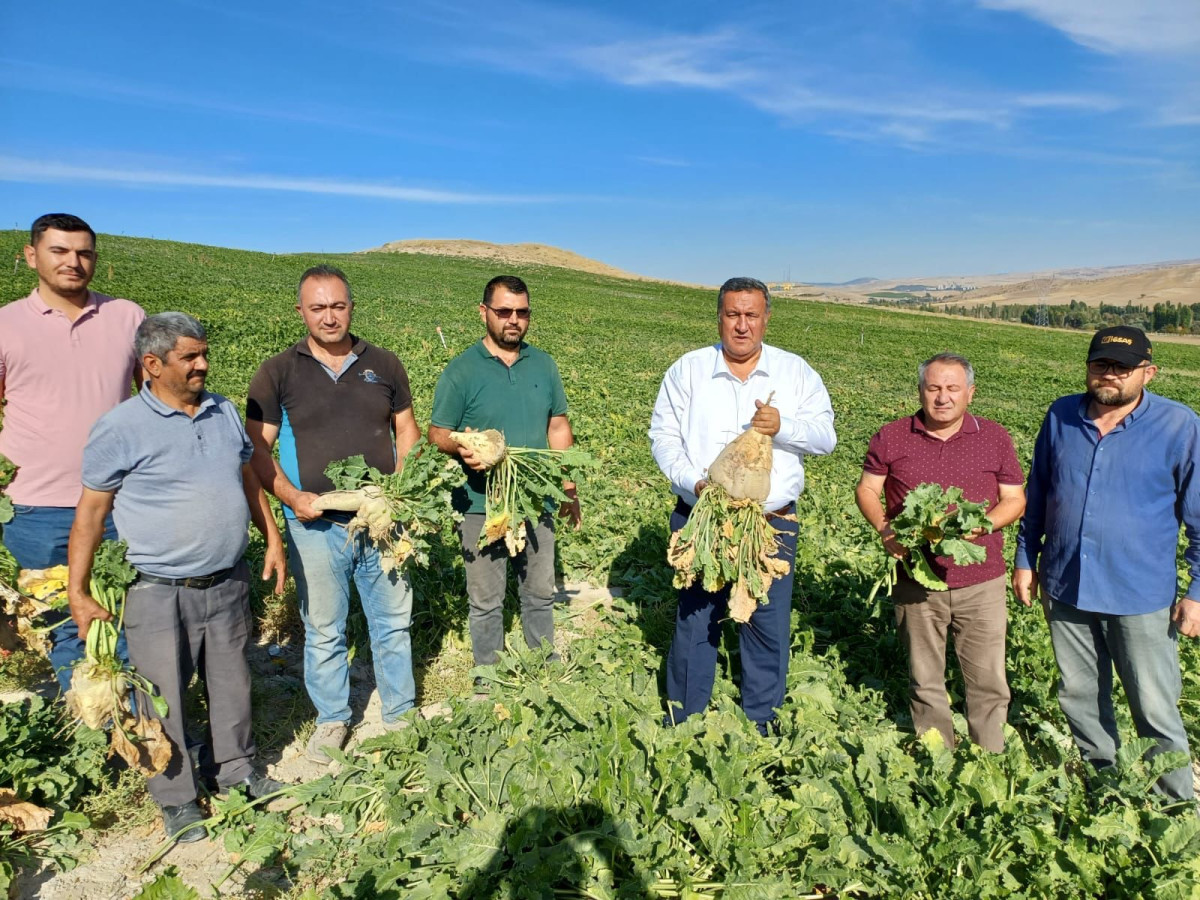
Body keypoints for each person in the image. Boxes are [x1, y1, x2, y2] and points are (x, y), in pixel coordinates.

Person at [67, 312, 287, 842]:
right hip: (158, 590)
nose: (203, 365)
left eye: (203, 353)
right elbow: (91, 515)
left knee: (232, 681)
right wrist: (77, 591)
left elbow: (246, 476)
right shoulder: (120, 428)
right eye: (190, 357)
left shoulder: (222, 411)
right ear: (152, 364)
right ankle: (176, 795)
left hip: (227, 579)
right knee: (164, 693)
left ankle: (236, 771)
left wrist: (271, 536)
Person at [1014, 326, 1200, 803]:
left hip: (1139, 593)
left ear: (1149, 372)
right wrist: (1024, 557)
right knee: (1079, 696)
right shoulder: (1060, 415)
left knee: (1154, 707)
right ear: (1088, 367)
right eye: (1101, 364)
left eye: (1123, 367)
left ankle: (1172, 807)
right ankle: (1105, 790)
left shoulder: (1179, 426)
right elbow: (1038, 493)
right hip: (1065, 583)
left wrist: (1197, 591)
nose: (1110, 375)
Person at [246, 265, 421, 763]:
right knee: (324, 626)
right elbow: (258, 449)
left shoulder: (384, 364)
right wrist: (290, 496)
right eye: (318, 307)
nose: (329, 316)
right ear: (300, 311)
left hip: (384, 518)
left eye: (338, 306)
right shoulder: (277, 371)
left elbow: (405, 429)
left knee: (392, 619)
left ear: (352, 306)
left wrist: (403, 487)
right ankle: (332, 720)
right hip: (316, 524)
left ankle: (400, 712)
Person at [649, 276, 836, 733]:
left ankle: (761, 725)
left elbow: (826, 439)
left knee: (765, 624)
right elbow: (664, 438)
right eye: (732, 314)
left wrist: (783, 425)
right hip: (702, 517)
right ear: (719, 317)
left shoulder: (795, 373)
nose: (741, 325)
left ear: (766, 318)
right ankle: (685, 719)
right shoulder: (687, 370)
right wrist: (694, 483)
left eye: (751, 315)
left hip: (771, 522)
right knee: (695, 621)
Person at [0, 214, 145, 690]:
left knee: (129, 617)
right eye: (59, 251)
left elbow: (156, 399)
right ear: (31, 256)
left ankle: (133, 732)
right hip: (38, 505)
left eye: (83, 253)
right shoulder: (6, 326)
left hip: (122, 502)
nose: (73, 262)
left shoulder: (128, 316)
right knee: (66, 625)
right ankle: (93, 733)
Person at [855, 353, 1025, 752]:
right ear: (920, 391)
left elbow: (1015, 499)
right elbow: (867, 489)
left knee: (988, 680)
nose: (942, 398)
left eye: (952, 389)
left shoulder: (994, 437)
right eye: (933, 388)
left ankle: (991, 759)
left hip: (981, 579)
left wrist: (982, 525)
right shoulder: (892, 436)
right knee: (925, 677)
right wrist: (884, 528)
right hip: (916, 579)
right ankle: (938, 758)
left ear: (970, 393)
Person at [428, 275, 579, 690]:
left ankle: (544, 667)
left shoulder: (544, 365)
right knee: (486, 599)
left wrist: (567, 488)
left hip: (535, 501)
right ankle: (488, 678)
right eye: (504, 312)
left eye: (522, 312)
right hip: (481, 503)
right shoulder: (462, 370)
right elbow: (436, 431)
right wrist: (461, 445)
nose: (514, 320)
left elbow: (558, 425)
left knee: (539, 592)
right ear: (484, 313)